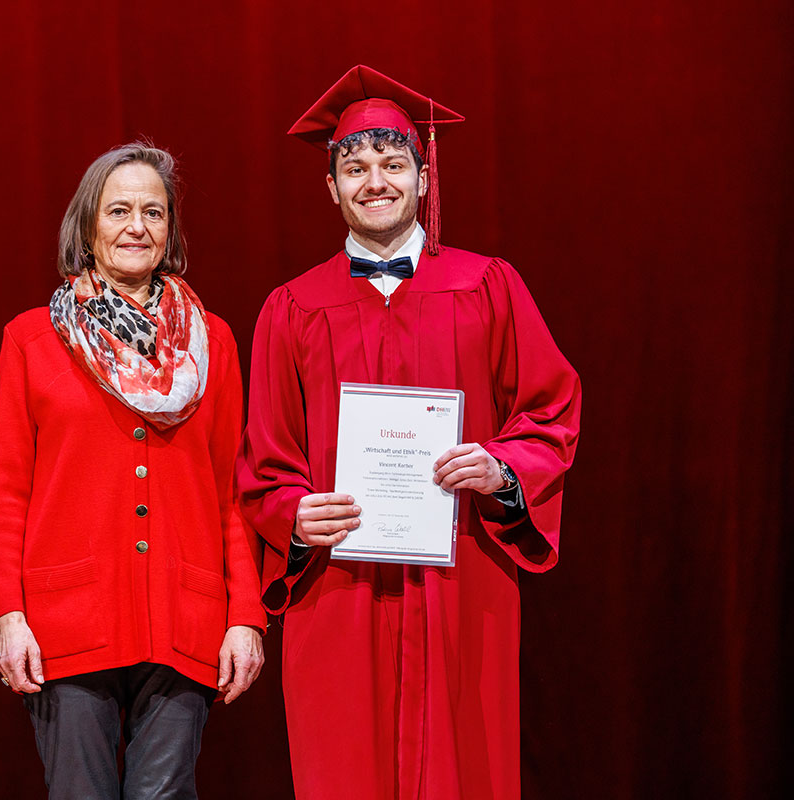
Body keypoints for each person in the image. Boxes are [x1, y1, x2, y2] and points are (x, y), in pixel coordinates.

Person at [236, 66, 581, 799]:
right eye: (354, 168)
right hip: (339, 590)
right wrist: (294, 513)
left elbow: (551, 412)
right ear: (331, 188)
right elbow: (265, 461)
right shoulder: (291, 308)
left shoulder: (488, 285)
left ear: (423, 177)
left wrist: (499, 468)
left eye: (393, 165)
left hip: (460, 580)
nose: (375, 182)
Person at [0, 142, 265, 800]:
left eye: (154, 212)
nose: (138, 225)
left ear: (170, 231)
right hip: (66, 623)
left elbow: (231, 493)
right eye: (119, 210)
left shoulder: (213, 343)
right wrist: (9, 616)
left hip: (185, 620)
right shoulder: (30, 339)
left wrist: (244, 616)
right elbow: (5, 497)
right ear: (86, 228)